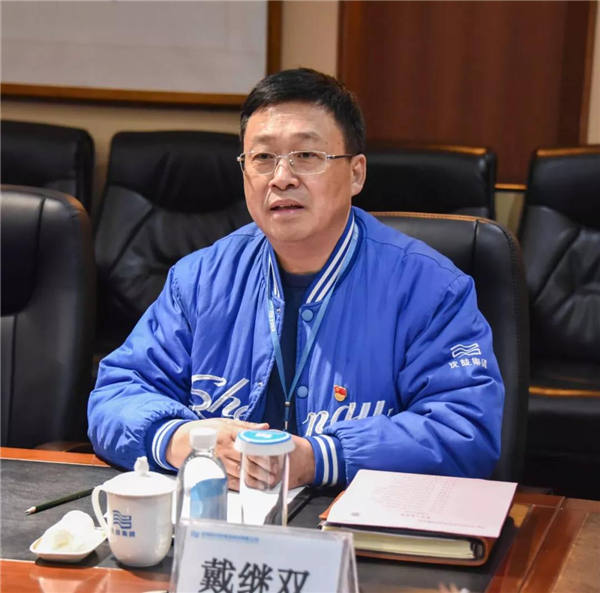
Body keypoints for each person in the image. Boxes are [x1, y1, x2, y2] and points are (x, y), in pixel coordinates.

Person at [88, 68, 504, 490]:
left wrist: (320, 458)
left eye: (306, 155)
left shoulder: (430, 289)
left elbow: (465, 430)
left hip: (354, 520)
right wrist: (179, 440)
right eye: (262, 158)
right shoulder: (199, 279)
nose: (281, 178)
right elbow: (116, 394)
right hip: (220, 517)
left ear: (356, 173)